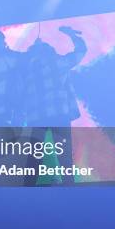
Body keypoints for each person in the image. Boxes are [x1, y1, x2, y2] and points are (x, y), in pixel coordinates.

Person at [22, 25, 87, 185]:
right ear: (50, 51)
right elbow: (81, 51)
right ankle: (69, 188)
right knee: (64, 156)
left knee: (34, 156)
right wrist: (72, 35)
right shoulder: (59, 62)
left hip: (36, 117)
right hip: (59, 114)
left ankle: (26, 191)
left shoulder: (27, 68)